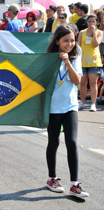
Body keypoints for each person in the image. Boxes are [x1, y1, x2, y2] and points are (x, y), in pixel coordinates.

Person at [45, 24, 89, 198]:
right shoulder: (48, 59)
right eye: (65, 41)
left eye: (72, 40)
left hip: (70, 107)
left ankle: (75, 184)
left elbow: (77, 81)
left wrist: (67, 61)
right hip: (53, 109)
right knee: (53, 143)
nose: (69, 44)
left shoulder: (75, 55)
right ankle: (52, 179)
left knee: (71, 142)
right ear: (57, 41)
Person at [78, 14, 103, 112]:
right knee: (83, 83)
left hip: (94, 60)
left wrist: (93, 32)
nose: (91, 23)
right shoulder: (81, 33)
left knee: (93, 83)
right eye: (89, 21)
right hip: (83, 61)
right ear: (87, 22)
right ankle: (82, 102)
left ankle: (93, 104)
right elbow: (78, 46)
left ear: (97, 22)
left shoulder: (99, 32)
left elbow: (96, 44)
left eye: (93, 21)